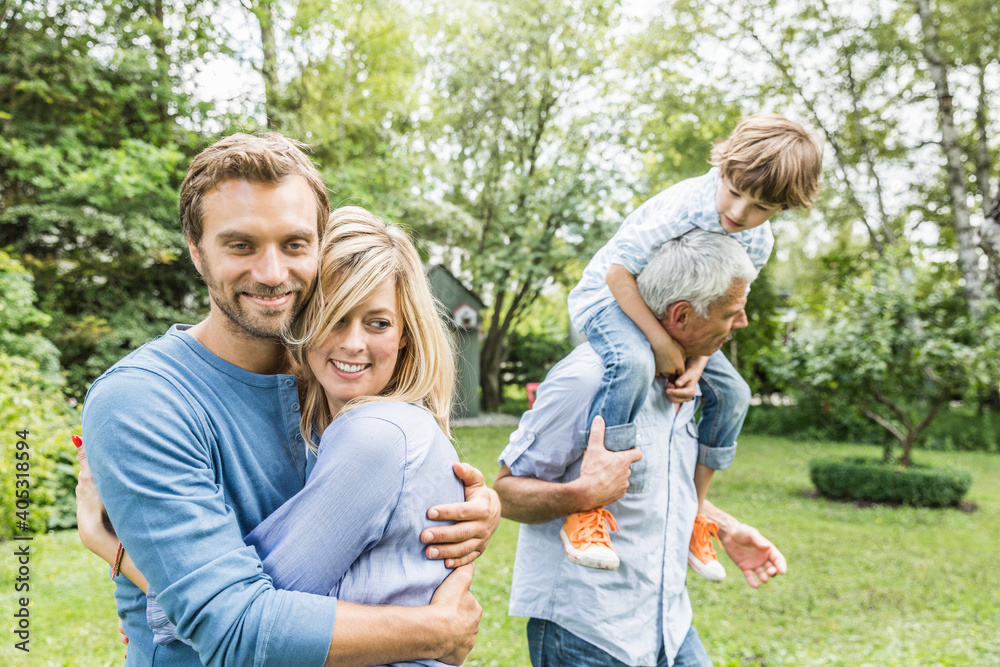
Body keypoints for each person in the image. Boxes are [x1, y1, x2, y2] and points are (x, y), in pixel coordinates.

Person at [77, 133, 499, 666]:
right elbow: (231, 628)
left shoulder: (337, 383)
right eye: (241, 245)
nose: (272, 274)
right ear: (196, 252)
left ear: (320, 246)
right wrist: (434, 632)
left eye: (295, 244)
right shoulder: (142, 401)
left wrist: (476, 508)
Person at [495, 231, 788, 666]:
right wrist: (580, 495)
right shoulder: (587, 379)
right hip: (589, 633)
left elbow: (657, 485)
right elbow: (505, 493)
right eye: (731, 313)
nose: (742, 322)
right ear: (682, 315)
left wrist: (721, 525)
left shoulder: (691, 383)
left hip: (670, 625)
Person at [563, 113, 822, 577]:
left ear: (783, 208)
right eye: (734, 191)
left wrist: (698, 363)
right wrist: (661, 344)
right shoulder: (683, 208)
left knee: (734, 393)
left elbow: (726, 307)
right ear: (722, 167)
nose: (739, 212)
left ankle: (695, 512)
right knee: (635, 364)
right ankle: (587, 506)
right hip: (612, 301)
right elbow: (618, 276)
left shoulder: (757, 241)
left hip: (678, 322)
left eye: (760, 206)